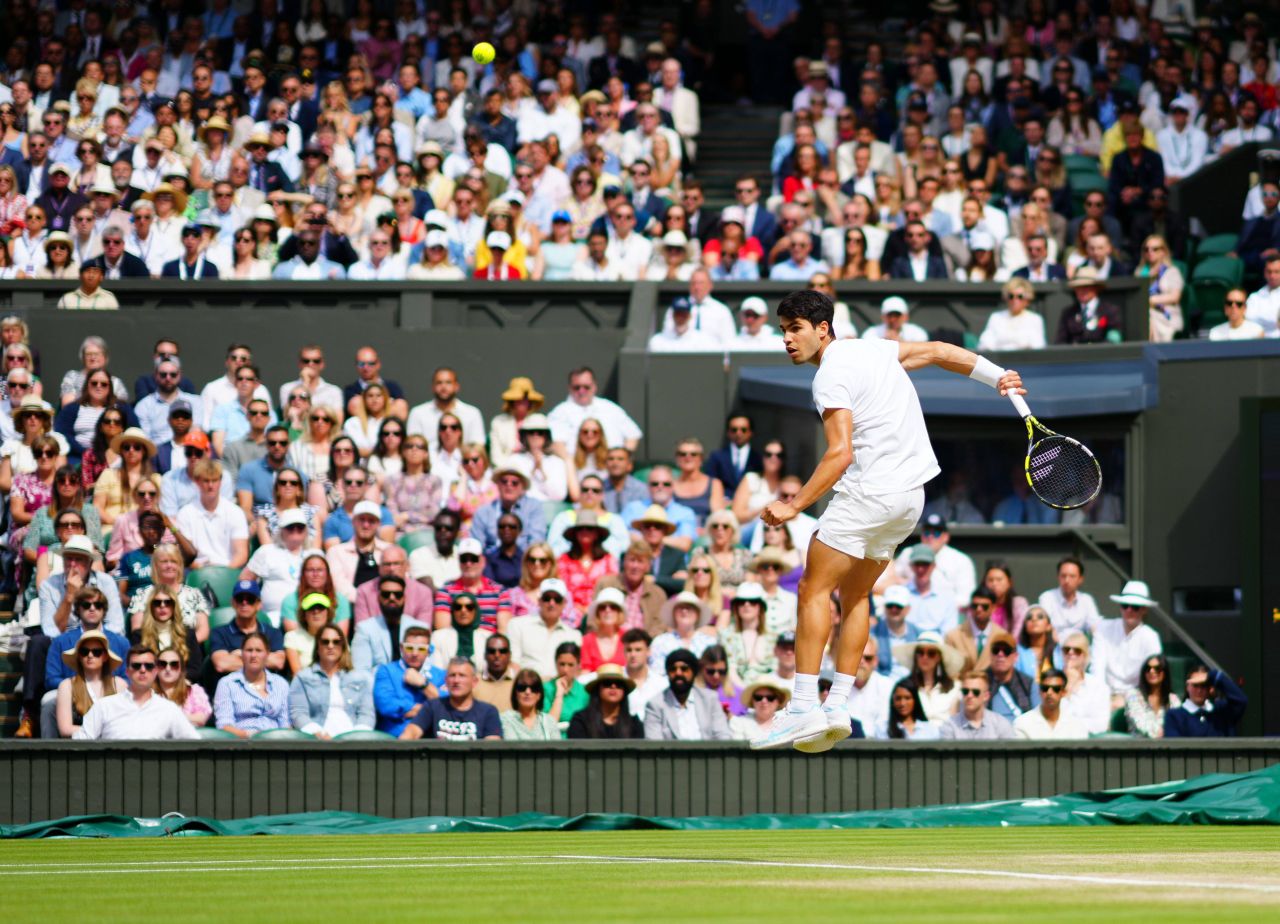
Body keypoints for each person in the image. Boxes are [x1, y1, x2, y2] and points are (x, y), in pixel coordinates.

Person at [74, 644, 201, 740]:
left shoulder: (169, 709)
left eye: (149, 666)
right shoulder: (104, 706)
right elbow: (79, 743)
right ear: (127, 671)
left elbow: (194, 743)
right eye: (136, 666)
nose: (143, 670)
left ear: (156, 671)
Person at [288, 623, 375, 739]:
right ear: (318, 647)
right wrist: (317, 733)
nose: (330, 646)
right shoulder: (302, 678)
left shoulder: (360, 678)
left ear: (343, 647)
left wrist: (356, 737)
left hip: (354, 744)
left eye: (336, 642)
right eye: (325, 642)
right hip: (317, 742)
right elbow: (298, 713)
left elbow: (367, 714)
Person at [399, 657, 503, 740]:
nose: (456, 680)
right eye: (452, 675)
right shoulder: (432, 707)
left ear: (474, 682)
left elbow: (493, 746)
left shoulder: (488, 711)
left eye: (462, 675)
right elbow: (412, 732)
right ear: (446, 680)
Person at [211, 631, 291, 737]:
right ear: (242, 654)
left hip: (276, 744)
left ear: (267, 654)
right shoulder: (227, 684)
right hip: (242, 745)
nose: (253, 655)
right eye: (249, 650)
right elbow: (224, 725)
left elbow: (285, 724)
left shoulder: (281, 684)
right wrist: (252, 737)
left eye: (258, 650)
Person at [546, 367, 643, 453]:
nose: (581, 391)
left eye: (586, 387)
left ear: (594, 387)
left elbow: (633, 435)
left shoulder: (610, 408)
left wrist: (620, 460)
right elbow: (556, 445)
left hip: (608, 469)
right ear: (569, 388)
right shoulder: (559, 413)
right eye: (577, 387)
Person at [372, 624, 445, 736]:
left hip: (431, 737)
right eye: (409, 648)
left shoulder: (440, 675)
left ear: (429, 650)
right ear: (401, 648)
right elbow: (386, 705)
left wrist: (423, 685)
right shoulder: (386, 671)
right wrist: (429, 711)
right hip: (394, 737)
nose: (414, 654)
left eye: (421, 649)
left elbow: (449, 706)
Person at [643, 648, 731, 740]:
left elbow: (722, 736)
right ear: (668, 673)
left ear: (694, 672)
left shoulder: (709, 699)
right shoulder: (655, 704)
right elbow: (654, 744)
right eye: (673, 669)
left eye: (684, 669)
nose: (678, 673)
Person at [1095, 580, 1163, 697]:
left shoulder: (1151, 637)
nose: (1129, 610)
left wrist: (1128, 699)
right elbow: (1097, 668)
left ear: (1144, 610)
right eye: (1125, 605)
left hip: (1138, 696)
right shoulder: (1103, 628)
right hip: (1104, 694)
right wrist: (1102, 696)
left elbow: (1152, 675)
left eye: (1135, 607)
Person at [506, 578, 583, 679]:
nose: (551, 603)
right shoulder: (517, 625)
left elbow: (575, 672)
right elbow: (513, 664)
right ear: (539, 601)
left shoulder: (574, 636)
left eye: (557, 599)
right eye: (547, 598)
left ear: (564, 603)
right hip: (527, 688)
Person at [54, 627, 121, 738]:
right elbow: (65, 729)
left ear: (105, 656)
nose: (90, 655)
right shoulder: (67, 686)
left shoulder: (119, 684)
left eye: (96, 652)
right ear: (79, 656)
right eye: (84, 652)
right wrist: (101, 732)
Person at [1164, 664, 1248, 738]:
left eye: (1204, 685)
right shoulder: (1174, 716)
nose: (1199, 690)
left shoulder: (1221, 711)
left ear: (1210, 688)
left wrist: (1214, 676)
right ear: (1187, 687)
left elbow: (1241, 700)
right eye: (1195, 685)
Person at [567, 663, 645, 739]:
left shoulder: (634, 724)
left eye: (618, 684)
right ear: (597, 689)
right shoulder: (580, 721)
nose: (613, 686)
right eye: (607, 683)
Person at [1036, 556, 1102, 641]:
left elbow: (1095, 627)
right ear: (1058, 577)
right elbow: (1045, 626)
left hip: (1079, 648)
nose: (1067, 580)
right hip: (1053, 647)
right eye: (1063, 576)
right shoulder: (1047, 597)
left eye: (1072, 576)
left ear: (1080, 579)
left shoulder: (1086, 600)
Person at [937, 670, 1015, 740]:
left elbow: (1009, 755)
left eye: (976, 692)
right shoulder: (950, 726)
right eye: (965, 691)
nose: (970, 696)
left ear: (986, 696)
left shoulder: (1000, 724)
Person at [1013, 668, 1087, 740]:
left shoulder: (1076, 726)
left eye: (1056, 689)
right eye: (1045, 688)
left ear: (1064, 692)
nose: (1049, 693)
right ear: (1039, 691)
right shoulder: (1022, 723)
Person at [985, 628, 1039, 723]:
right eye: (996, 650)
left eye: (1006, 650)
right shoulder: (980, 683)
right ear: (990, 655)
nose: (1000, 655)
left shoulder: (1028, 684)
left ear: (1016, 657)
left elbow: (1038, 718)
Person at [977, 278, 1047, 351]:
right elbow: (984, 344)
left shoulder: (1035, 319)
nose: (1015, 300)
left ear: (1027, 300)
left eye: (1020, 297)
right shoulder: (996, 317)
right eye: (1011, 296)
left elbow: (1038, 346)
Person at [1124, 654, 1180, 739]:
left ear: (1164, 672)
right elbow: (1141, 725)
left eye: (1157, 668)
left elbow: (1179, 722)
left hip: (1168, 747)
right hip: (1139, 747)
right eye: (1148, 668)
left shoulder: (1173, 699)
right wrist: (1166, 733)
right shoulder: (1133, 695)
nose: (1152, 671)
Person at [155, 646, 212, 727]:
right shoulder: (148, 694)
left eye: (174, 664)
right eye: (162, 664)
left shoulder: (194, 691)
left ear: (181, 669)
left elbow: (201, 718)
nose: (168, 669)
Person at [499, 667, 560, 740]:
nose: (527, 692)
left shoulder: (549, 722)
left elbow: (557, 749)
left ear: (539, 695)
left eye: (534, 688)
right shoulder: (505, 719)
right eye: (522, 687)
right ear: (515, 693)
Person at [876, 679, 941, 740]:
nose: (902, 703)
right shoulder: (883, 729)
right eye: (898, 698)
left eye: (907, 698)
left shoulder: (930, 729)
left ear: (915, 700)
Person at [860, 296, 929, 342]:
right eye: (889, 315)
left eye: (897, 315)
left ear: (905, 317)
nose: (892, 319)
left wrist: (900, 342)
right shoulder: (871, 333)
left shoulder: (917, 332)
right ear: (883, 317)